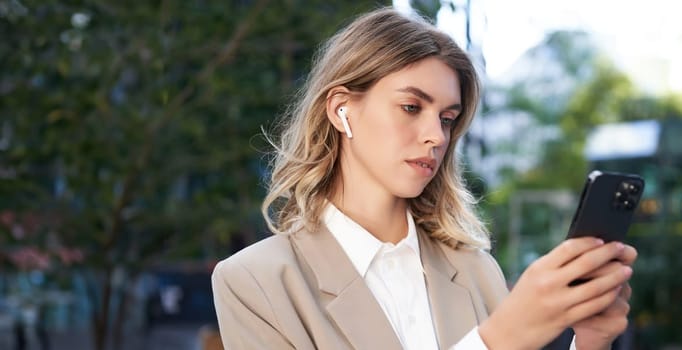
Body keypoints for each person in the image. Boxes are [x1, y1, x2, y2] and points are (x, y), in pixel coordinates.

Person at [211, 7, 637, 350]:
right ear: (342, 110)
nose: (437, 135)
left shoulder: (475, 271)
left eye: (448, 118)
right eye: (412, 107)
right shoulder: (256, 283)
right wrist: (498, 341)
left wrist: (588, 344)